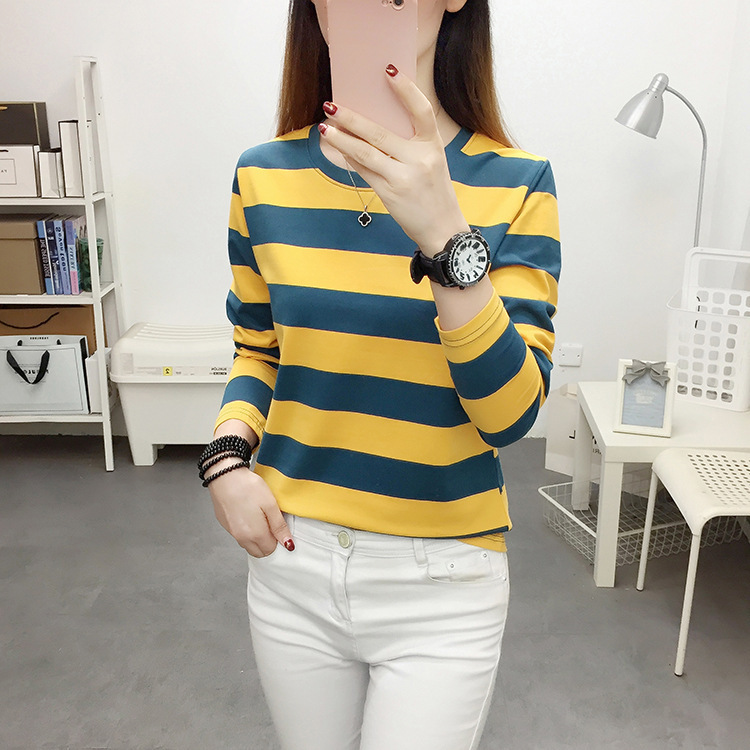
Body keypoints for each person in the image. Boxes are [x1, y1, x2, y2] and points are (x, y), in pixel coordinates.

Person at [199, 1, 560, 748]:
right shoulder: (261, 175)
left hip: (443, 580)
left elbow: (510, 417)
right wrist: (226, 461)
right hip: (292, 562)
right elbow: (258, 350)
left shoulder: (518, 182)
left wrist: (445, 233)